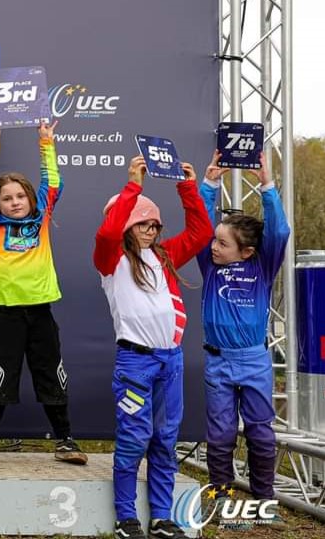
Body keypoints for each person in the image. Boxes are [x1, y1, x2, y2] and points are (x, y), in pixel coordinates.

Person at [94, 155, 212, 539]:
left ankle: (162, 517)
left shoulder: (165, 256)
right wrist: (133, 187)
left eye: (154, 223)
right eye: (142, 222)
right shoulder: (111, 260)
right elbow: (108, 234)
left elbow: (201, 233)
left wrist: (188, 188)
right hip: (135, 361)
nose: (150, 228)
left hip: (170, 362)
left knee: (165, 438)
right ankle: (125, 516)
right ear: (128, 222)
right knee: (133, 438)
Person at [0, 121, 88, 467]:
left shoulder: (42, 216)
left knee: (51, 374)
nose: (14, 202)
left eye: (20, 196)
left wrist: (46, 141)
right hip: (5, 314)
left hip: (41, 311)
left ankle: (65, 440)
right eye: (7, 198)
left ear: (32, 200)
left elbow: (54, 182)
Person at [198, 150, 289, 506]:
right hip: (218, 362)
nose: (213, 246)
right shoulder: (210, 264)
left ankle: (263, 499)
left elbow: (279, 230)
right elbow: (201, 228)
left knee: (261, 434)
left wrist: (267, 184)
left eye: (223, 243)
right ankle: (223, 496)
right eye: (214, 241)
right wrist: (210, 183)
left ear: (247, 252)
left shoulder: (263, 265)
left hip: (253, 361)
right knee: (220, 434)